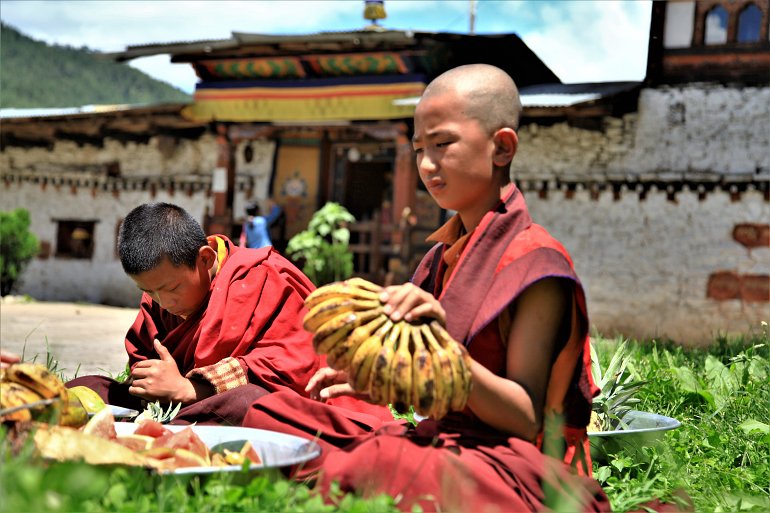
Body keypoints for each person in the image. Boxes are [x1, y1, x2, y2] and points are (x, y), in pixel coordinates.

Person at [241, 64, 611, 511]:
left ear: (502, 147)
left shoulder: (537, 264)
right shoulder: (442, 255)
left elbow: (524, 417)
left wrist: (442, 354)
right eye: (419, 149)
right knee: (271, 413)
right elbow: (430, 393)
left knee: (388, 462)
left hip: (519, 464)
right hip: (448, 440)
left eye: (442, 144)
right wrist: (375, 385)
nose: (427, 165)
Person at [66, 202, 320, 425]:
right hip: (169, 409)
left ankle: (161, 435)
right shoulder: (160, 291)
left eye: (173, 288)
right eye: (149, 291)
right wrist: (154, 383)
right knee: (86, 388)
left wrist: (190, 389)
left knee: (246, 402)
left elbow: (292, 365)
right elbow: (143, 355)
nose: (163, 302)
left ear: (206, 259)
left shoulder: (266, 277)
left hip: (227, 405)